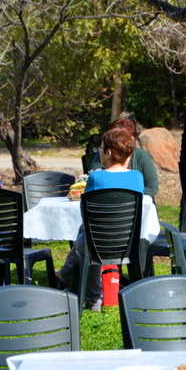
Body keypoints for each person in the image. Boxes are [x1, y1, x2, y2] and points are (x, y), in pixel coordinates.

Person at [59, 128, 144, 311]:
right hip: (128, 242)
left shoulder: (96, 176)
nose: (99, 152)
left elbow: (86, 212)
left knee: (86, 235)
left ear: (109, 152)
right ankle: (67, 275)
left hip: (97, 243)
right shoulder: (137, 177)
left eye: (101, 148)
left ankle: (92, 299)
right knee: (86, 232)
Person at [89, 117, 159, 199]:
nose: (112, 140)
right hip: (107, 203)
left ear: (131, 140)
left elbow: (152, 187)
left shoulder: (142, 157)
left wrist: (132, 200)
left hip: (137, 206)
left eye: (118, 137)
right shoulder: (102, 154)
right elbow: (91, 182)